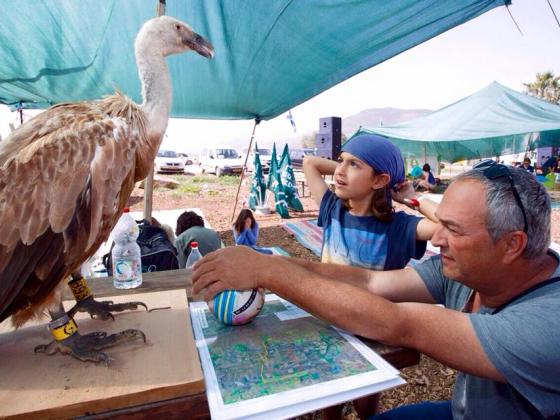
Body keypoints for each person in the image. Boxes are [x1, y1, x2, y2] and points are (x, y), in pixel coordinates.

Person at [192, 162, 560, 419]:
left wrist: (269, 271)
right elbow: (369, 282)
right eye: (439, 224)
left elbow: (400, 323)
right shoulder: (470, 270)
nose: (439, 239)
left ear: (512, 245)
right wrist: (271, 263)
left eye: (454, 230)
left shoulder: (549, 324)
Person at [303, 134, 437, 271]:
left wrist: (413, 197)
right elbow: (309, 162)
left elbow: (454, 225)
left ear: (379, 181)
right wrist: (347, 166)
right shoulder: (332, 209)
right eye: (341, 161)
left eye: (354, 164)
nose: (339, 171)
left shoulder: (399, 228)